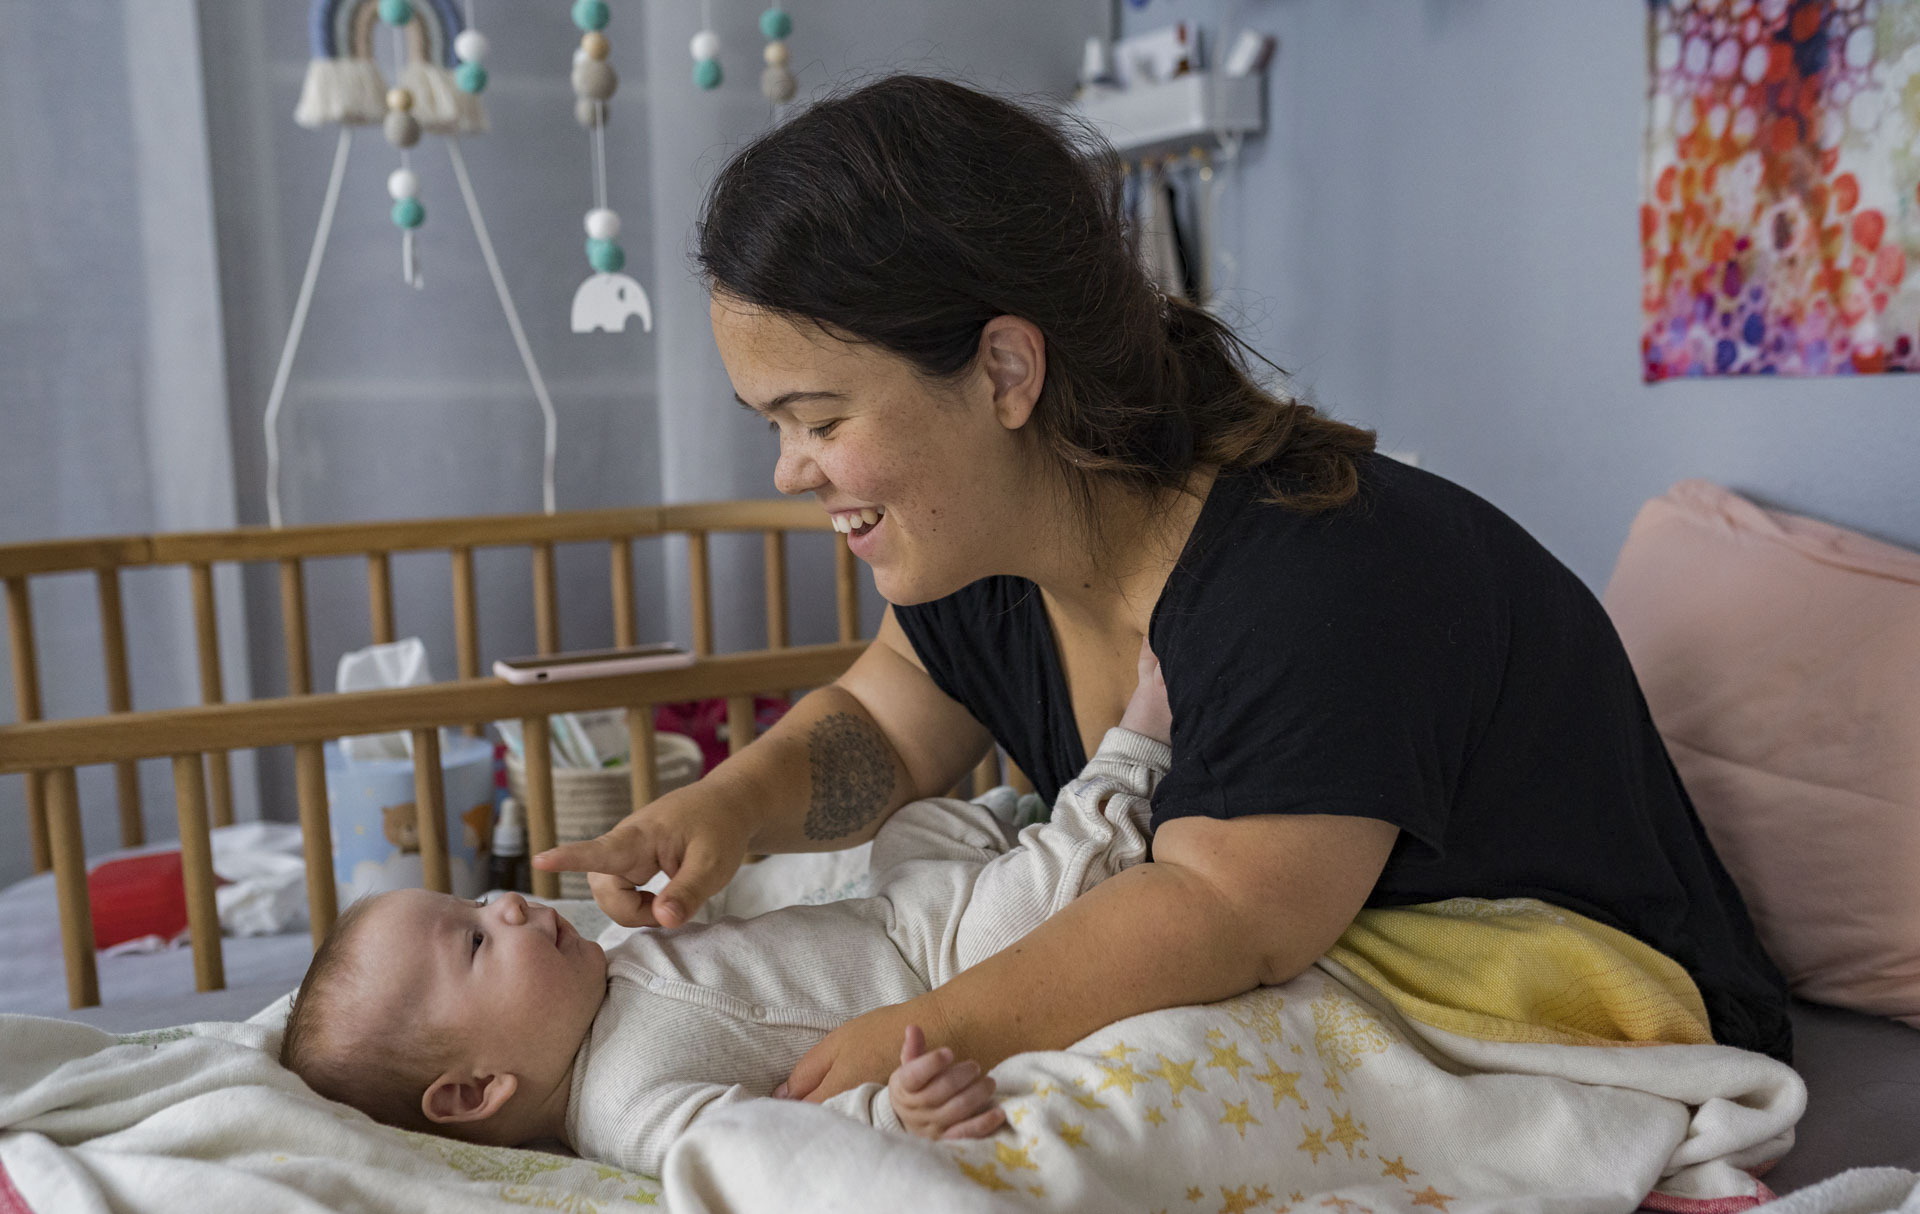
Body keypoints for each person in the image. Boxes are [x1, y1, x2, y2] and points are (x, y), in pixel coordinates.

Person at [536, 75, 1792, 1111]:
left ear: (1006, 370)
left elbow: (1223, 913)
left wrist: (926, 1028)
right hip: (1292, 930)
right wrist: (731, 808)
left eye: (818, 419)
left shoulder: (1319, 574)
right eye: (775, 424)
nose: (791, 471)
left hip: (1575, 988)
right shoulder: (986, 544)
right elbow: (886, 715)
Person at [277, 646, 1175, 1175]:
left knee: (914, 822)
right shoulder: (628, 1108)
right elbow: (773, 1150)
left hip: (889, 911)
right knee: (1038, 899)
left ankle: (1002, 826)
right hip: (946, 966)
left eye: (479, 896)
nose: (506, 901)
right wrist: (899, 1116)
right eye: (474, 939)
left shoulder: (587, 978)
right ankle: (1134, 758)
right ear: (477, 1091)